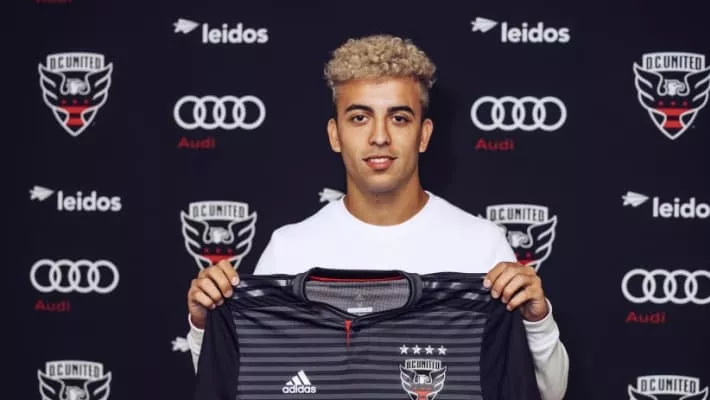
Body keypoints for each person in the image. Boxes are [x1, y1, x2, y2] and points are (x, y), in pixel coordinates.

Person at [185, 34, 569, 400]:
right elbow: (248, 383)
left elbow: (547, 393)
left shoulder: (481, 244)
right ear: (335, 134)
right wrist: (206, 326)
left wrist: (537, 321)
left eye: (399, 118)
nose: (380, 136)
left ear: (424, 134)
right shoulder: (289, 248)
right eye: (359, 118)